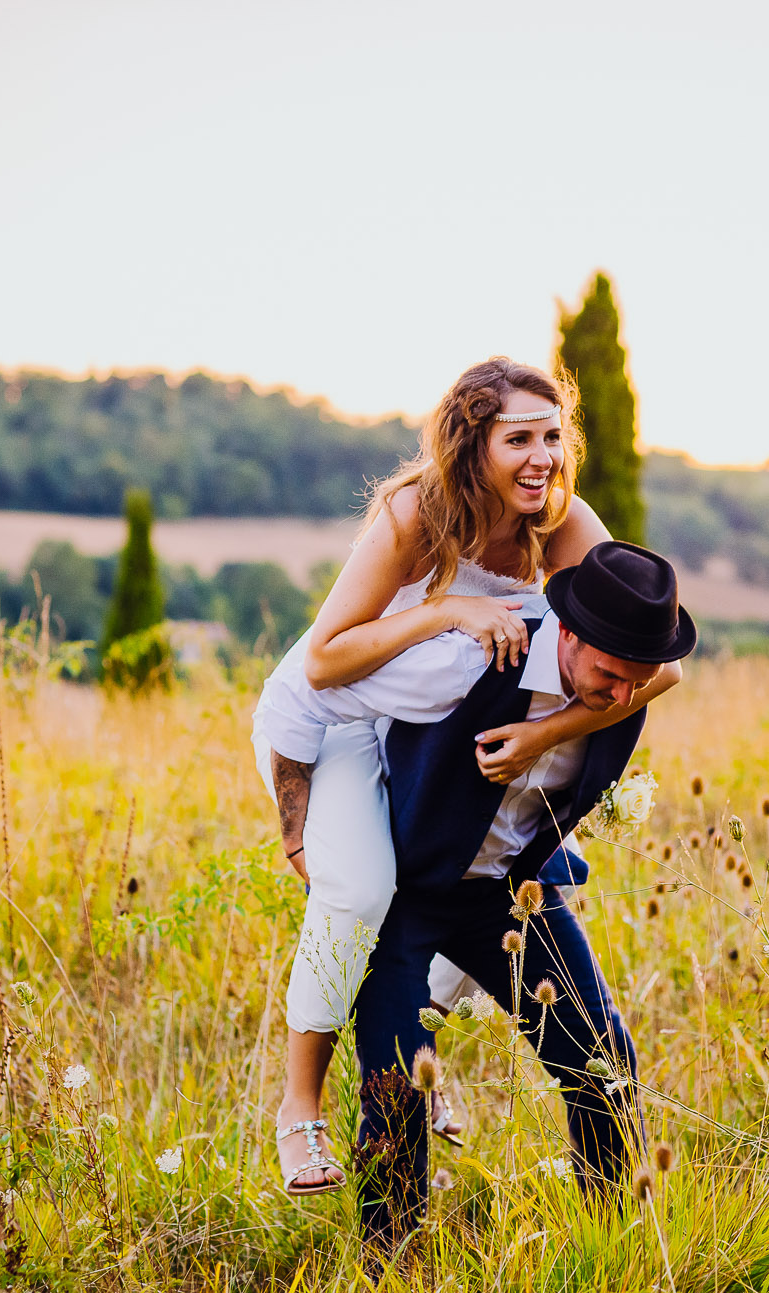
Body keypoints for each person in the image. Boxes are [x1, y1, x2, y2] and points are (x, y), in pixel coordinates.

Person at [250, 358, 682, 1195]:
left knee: (598, 1053)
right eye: (518, 438)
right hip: (343, 712)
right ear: (471, 443)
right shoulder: (416, 516)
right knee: (364, 892)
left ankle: (603, 1218)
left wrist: (544, 733)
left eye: (553, 437)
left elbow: (637, 651)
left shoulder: (563, 520)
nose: (542, 457)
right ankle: (301, 1104)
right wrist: (448, 608)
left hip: (464, 789)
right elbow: (324, 663)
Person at [260, 540, 696, 1251]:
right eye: (613, 675)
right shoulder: (466, 658)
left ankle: (608, 1241)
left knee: (602, 1057)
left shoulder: (625, 683)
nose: (624, 697)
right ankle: (392, 1267)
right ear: (572, 633)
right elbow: (308, 689)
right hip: (408, 887)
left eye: (638, 680)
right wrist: (298, 830)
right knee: (396, 1087)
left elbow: (621, 694)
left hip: (512, 894)